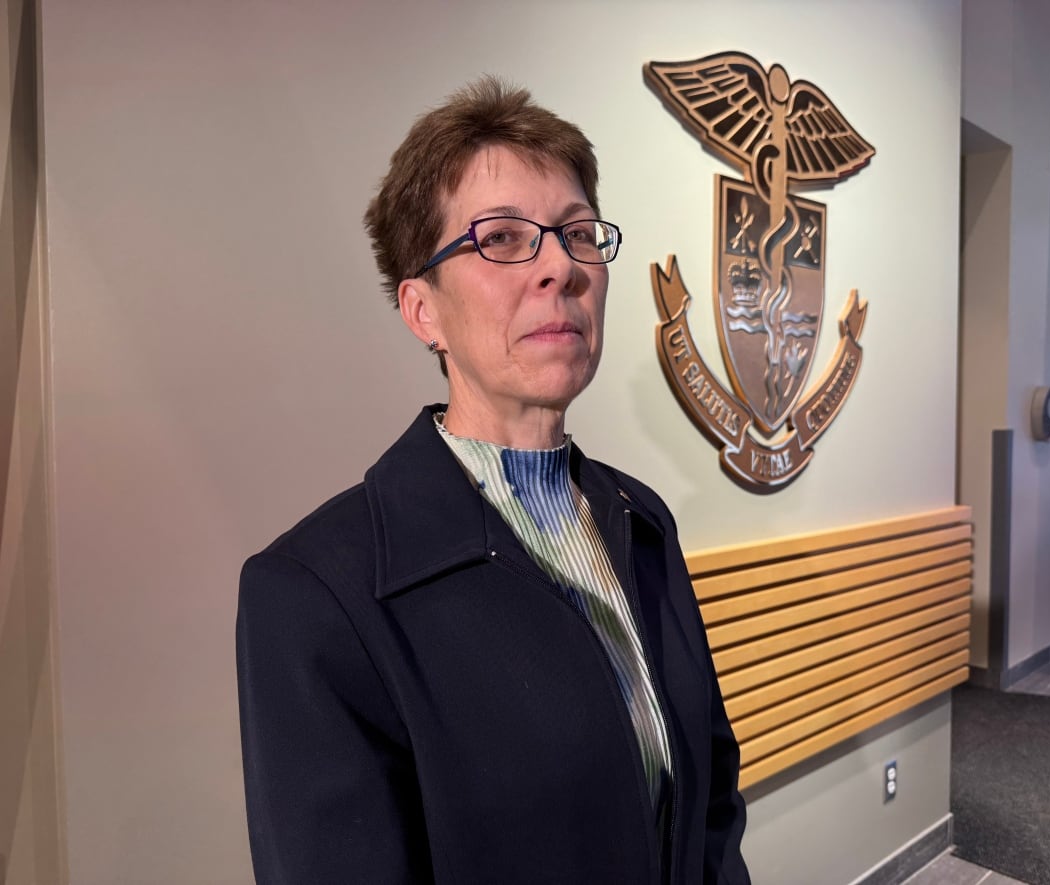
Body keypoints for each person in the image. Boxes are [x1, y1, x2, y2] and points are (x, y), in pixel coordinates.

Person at [236, 77, 750, 885]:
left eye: (578, 234)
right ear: (422, 310)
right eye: (502, 239)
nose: (561, 267)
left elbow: (710, 800)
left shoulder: (636, 518)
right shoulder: (313, 594)